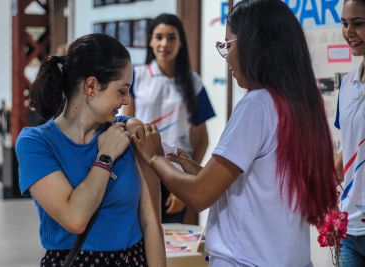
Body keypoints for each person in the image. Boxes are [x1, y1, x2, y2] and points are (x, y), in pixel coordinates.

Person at [131, 0, 338, 266]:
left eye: (229, 45)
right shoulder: (301, 103)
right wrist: (192, 166)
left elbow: (199, 196)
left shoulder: (257, 104)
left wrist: (153, 157)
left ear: (253, 46)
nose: (227, 55)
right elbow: (251, 186)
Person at [15, 33, 165, 267]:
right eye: (121, 90)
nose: (126, 100)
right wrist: (105, 158)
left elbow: (151, 223)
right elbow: (75, 218)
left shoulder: (130, 131)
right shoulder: (35, 143)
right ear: (91, 86)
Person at [123, 13, 216, 223]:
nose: (165, 43)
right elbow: (125, 126)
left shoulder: (194, 82)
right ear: (150, 41)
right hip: (142, 172)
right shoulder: (136, 76)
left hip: (177, 176)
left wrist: (188, 181)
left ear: (181, 42)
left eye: (172, 37)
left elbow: (202, 139)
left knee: (175, 246)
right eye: (159, 37)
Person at [334, 0, 365, 265]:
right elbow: (349, 145)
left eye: (358, 23)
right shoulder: (347, 84)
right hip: (349, 227)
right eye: (345, 23)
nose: (348, 32)